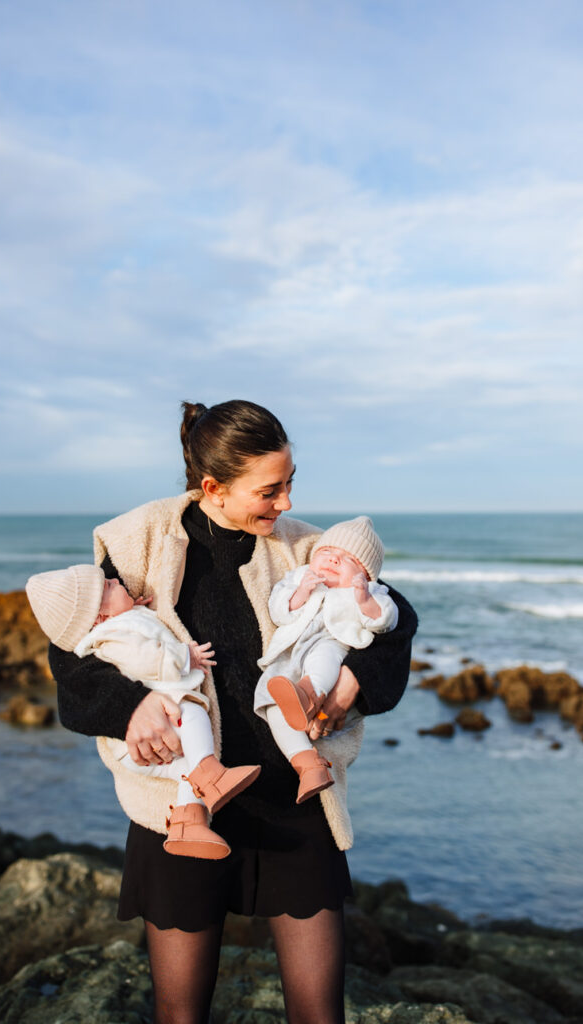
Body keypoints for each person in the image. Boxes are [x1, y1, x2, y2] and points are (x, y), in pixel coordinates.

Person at [48, 399, 418, 1024]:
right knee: (180, 1012)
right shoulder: (136, 541)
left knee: (320, 1012)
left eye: (291, 482)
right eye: (270, 490)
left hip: (296, 795)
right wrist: (130, 708)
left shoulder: (307, 549)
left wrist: (353, 682)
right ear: (213, 487)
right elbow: (73, 644)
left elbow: (397, 617)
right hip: (181, 807)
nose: (288, 504)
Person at [25, 564, 260, 858]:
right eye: (108, 586)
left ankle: (187, 823)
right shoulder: (116, 634)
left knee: (187, 769)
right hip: (152, 730)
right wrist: (184, 657)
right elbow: (142, 657)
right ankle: (210, 775)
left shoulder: (116, 625)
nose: (114, 579)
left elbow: (131, 638)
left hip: (136, 750)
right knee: (193, 714)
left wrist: (131, 610)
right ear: (100, 617)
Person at [254, 516, 398, 804]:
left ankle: (309, 695)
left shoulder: (370, 592)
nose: (333, 559)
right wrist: (300, 592)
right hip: (290, 652)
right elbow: (278, 610)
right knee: (270, 699)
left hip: (332, 644)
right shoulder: (299, 576)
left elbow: (387, 620)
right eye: (326, 552)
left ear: (366, 574)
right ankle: (308, 764)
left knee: (324, 662)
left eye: (347, 559)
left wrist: (364, 599)